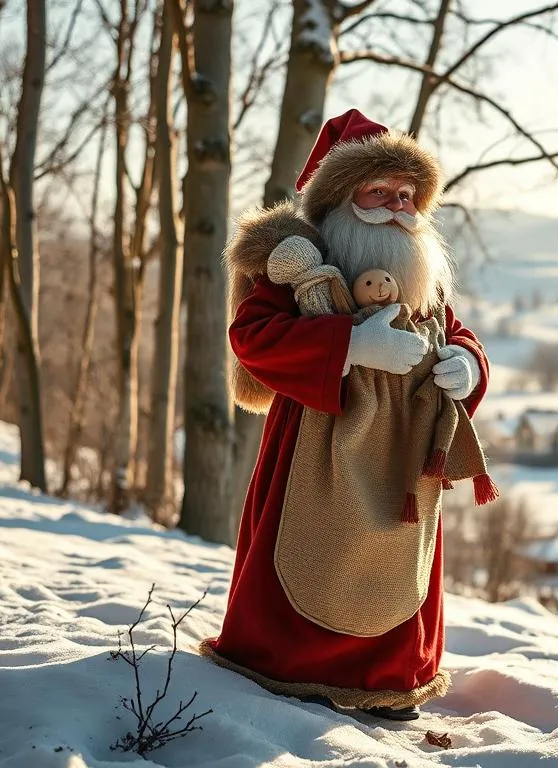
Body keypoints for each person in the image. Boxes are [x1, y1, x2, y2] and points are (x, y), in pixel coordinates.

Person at [198, 109, 492, 721]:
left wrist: (467, 367)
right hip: (314, 443)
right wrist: (349, 346)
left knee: (394, 558)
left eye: (407, 195)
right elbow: (253, 335)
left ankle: (387, 674)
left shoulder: (421, 272)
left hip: (406, 453)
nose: (396, 207)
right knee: (310, 550)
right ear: (338, 196)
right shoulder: (297, 260)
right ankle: (292, 665)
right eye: (378, 191)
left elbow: (457, 334)